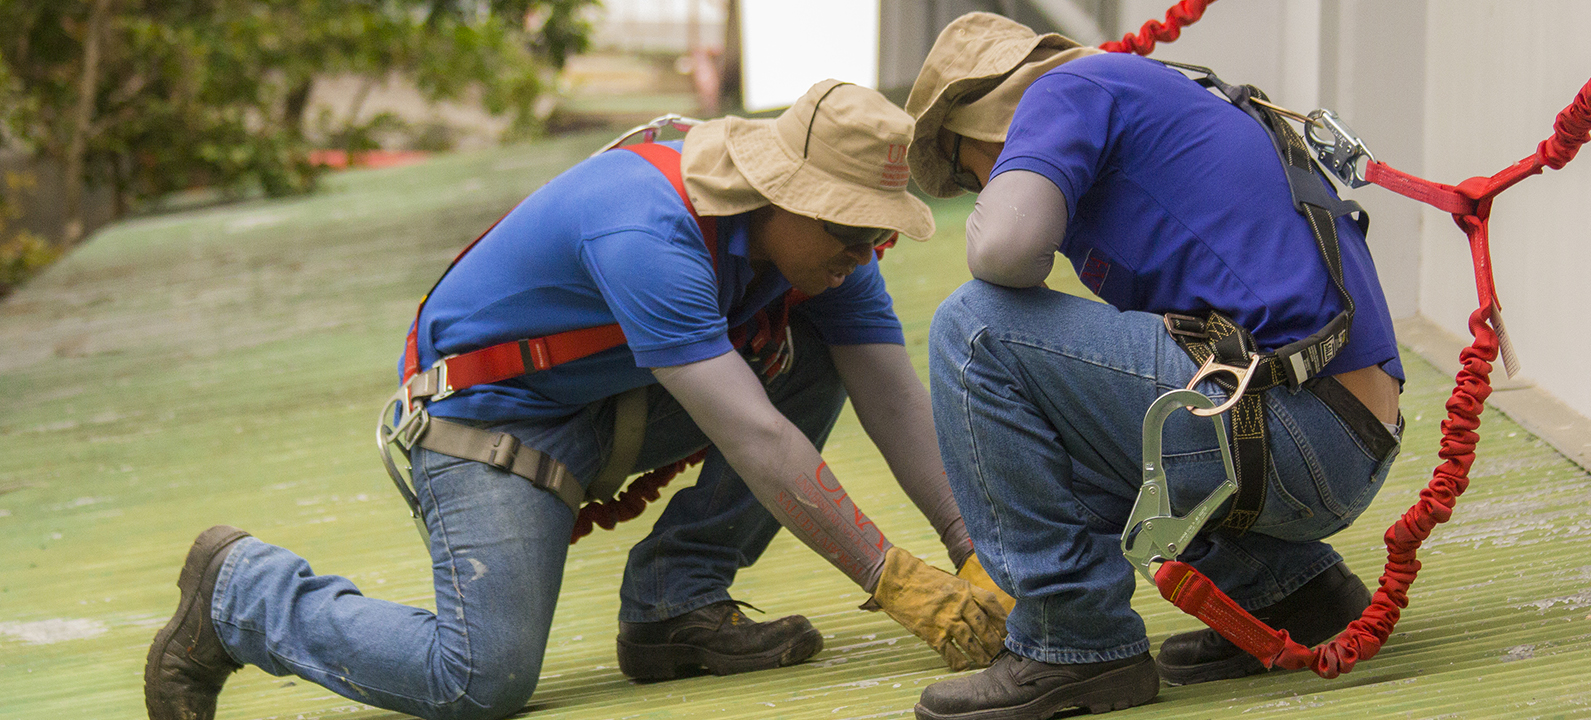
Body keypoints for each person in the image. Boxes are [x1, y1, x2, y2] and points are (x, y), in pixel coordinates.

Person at [144, 80, 1012, 720]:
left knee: (819, 350)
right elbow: (751, 433)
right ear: (783, 193)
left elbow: (892, 396)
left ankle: (676, 608)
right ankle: (242, 593)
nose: (865, 253)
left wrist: (971, 548)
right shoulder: (648, 228)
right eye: (850, 230)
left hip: (620, 396)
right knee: (479, 678)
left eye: (880, 234)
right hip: (495, 420)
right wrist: (894, 581)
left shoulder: (826, 252)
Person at [902, 13, 1406, 719]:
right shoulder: (1148, 98)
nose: (978, 188)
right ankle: (1291, 591)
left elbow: (1004, 250)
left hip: (1297, 428)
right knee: (1052, 420)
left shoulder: (1062, 90)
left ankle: (1072, 644)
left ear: (981, 127)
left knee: (975, 327)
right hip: (1344, 435)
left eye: (965, 171)